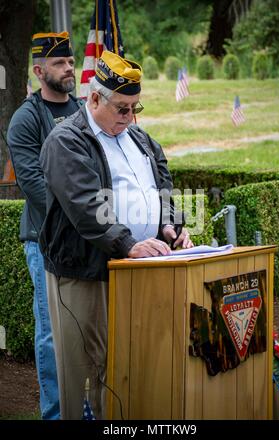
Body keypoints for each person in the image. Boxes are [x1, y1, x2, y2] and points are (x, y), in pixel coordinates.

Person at [39, 50, 193, 420]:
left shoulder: (139, 138)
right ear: (94, 98)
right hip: (85, 271)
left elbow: (163, 185)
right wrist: (128, 243)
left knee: (125, 367)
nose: (130, 117)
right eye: (122, 108)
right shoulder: (67, 140)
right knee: (84, 373)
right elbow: (85, 204)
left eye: (136, 108)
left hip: (134, 269)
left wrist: (170, 225)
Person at [7, 31, 82, 420]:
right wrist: (81, 218)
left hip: (89, 239)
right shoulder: (26, 118)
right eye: (59, 63)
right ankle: (55, 413)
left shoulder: (85, 108)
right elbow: (32, 182)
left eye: (70, 62)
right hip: (45, 241)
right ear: (39, 70)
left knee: (89, 331)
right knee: (53, 334)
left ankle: (86, 408)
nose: (69, 68)